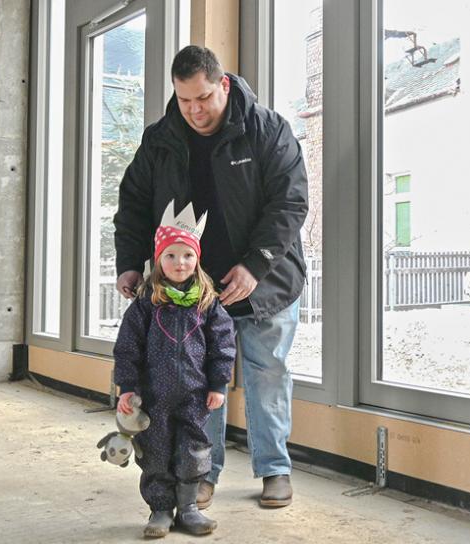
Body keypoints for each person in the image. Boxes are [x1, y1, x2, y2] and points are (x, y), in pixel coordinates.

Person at [114, 45, 308, 509]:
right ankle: (202, 473)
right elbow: (134, 206)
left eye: (203, 97)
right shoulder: (160, 139)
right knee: (199, 385)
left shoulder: (267, 129)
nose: (195, 110)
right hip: (190, 290)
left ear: (223, 84)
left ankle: (274, 470)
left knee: (268, 375)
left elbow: (290, 203)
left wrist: (255, 265)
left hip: (266, 283)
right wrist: (129, 261)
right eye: (185, 101)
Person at [113, 201, 236, 538]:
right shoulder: (145, 303)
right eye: (171, 256)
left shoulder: (208, 304)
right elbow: (127, 348)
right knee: (155, 453)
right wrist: (127, 387)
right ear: (158, 259)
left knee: (193, 449)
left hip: (195, 397)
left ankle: (190, 508)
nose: (179, 263)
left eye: (187, 256)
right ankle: (160, 510)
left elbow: (223, 346)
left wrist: (218, 385)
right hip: (154, 398)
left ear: (197, 259)